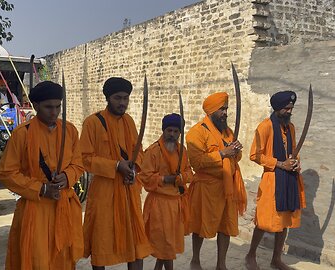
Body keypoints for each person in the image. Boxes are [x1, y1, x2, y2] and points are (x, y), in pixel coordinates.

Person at [0, 81, 84, 270]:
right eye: (48, 107)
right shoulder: (22, 134)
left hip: (64, 205)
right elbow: (6, 172)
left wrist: (68, 176)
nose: (54, 112)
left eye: (58, 106)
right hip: (36, 209)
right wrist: (41, 188)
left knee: (64, 260)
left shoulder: (69, 130)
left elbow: (78, 163)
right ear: (36, 107)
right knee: (38, 259)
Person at [80, 77, 151, 270]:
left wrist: (133, 168)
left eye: (126, 98)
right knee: (102, 241)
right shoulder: (92, 123)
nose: (122, 103)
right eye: (117, 98)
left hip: (129, 190)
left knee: (136, 242)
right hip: (104, 193)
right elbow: (84, 158)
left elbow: (139, 151)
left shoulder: (129, 121)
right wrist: (116, 165)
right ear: (108, 98)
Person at [185, 92, 247, 270]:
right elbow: (197, 162)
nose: (225, 113)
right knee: (200, 226)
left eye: (226, 109)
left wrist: (236, 150)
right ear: (211, 111)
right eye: (222, 109)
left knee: (226, 226)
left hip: (227, 187)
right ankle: (195, 260)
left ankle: (221, 264)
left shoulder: (228, 132)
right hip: (206, 187)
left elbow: (237, 157)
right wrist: (222, 154)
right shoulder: (196, 133)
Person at [245, 91, 306, 270]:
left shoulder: (291, 128)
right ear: (278, 108)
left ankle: (276, 259)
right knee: (263, 221)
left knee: (285, 220)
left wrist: (295, 163)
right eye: (287, 108)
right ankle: (251, 255)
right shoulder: (265, 127)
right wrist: (280, 164)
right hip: (272, 180)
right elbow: (254, 154)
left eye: (291, 108)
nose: (289, 111)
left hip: (289, 179)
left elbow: (294, 151)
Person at [139, 113, 193, 270]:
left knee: (168, 245)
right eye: (169, 130)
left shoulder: (182, 150)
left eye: (176, 131)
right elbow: (145, 177)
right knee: (166, 245)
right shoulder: (153, 151)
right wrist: (165, 179)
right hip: (159, 205)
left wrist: (181, 177)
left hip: (176, 204)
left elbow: (189, 172)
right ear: (163, 130)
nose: (172, 135)